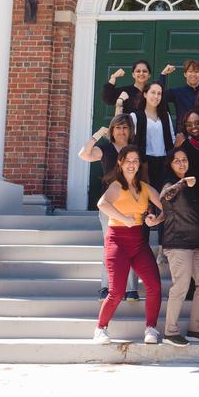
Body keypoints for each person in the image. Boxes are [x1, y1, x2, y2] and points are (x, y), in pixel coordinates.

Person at [92, 147, 164, 345]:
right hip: (117, 241)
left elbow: (168, 206)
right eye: (128, 160)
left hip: (138, 242)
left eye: (135, 160)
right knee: (116, 291)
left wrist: (156, 220)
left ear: (139, 164)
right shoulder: (116, 186)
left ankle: (151, 328)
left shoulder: (145, 188)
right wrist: (124, 219)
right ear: (120, 163)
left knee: (154, 286)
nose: (131, 164)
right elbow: (102, 204)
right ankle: (100, 329)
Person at [77, 115, 140, 300]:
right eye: (118, 127)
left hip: (132, 204)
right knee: (111, 246)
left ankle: (131, 289)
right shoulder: (105, 149)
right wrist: (97, 135)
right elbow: (83, 154)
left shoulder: (136, 150)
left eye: (125, 127)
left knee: (132, 246)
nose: (121, 131)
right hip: (109, 205)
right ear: (112, 130)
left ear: (131, 130)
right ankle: (106, 287)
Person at [158, 149, 199, 346]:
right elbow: (164, 196)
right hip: (178, 243)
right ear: (170, 164)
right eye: (177, 161)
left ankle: (195, 330)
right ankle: (170, 332)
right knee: (181, 286)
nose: (182, 163)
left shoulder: (192, 185)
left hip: (196, 244)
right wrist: (182, 183)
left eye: (184, 160)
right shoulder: (170, 183)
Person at [128, 82, 175, 192]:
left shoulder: (165, 115)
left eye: (159, 93)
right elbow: (129, 141)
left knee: (163, 195)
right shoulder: (135, 116)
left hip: (164, 162)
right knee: (146, 194)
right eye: (153, 92)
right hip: (145, 163)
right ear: (145, 94)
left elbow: (172, 137)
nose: (156, 96)